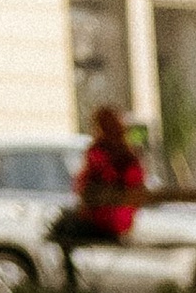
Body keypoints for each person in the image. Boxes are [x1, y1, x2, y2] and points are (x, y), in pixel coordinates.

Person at [54, 104, 146, 266]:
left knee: (61, 227)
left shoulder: (98, 152)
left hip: (101, 222)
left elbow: (83, 185)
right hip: (122, 223)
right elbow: (137, 185)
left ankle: (70, 280)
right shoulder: (129, 155)